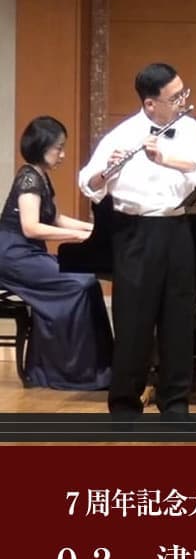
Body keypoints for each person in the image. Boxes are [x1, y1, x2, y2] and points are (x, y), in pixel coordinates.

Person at [78, 63, 196, 422]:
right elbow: (88, 183)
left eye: (183, 93)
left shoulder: (189, 129)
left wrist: (163, 158)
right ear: (151, 104)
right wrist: (107, 170)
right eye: (175, 97)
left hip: (177, 228)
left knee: (178, 319)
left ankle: (175, 403)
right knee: (133, 320)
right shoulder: (122, 135)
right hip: (134, 233)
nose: (183, 101)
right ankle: (125, 404)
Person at [0, 116, 112, 390]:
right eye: (58, 148)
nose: (62, 154)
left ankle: (98, 368)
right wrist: (81, 237)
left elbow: (56, 219)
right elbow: (31, 228)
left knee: (88, 280)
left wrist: (95, 229)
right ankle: (65, 371)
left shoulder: (40, 176)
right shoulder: (28, 178)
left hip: (27, 253)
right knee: (78, 284)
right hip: (13, 256)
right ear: (41, 146)